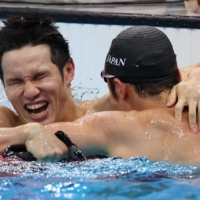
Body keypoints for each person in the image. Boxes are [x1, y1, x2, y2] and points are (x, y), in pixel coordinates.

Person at [1, 25, 200, 163]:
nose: (31, 91)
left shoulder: (105, 120)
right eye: (15, 81)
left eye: (40, 76)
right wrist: (28, 131)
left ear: (68, 71)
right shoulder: (7, 121)